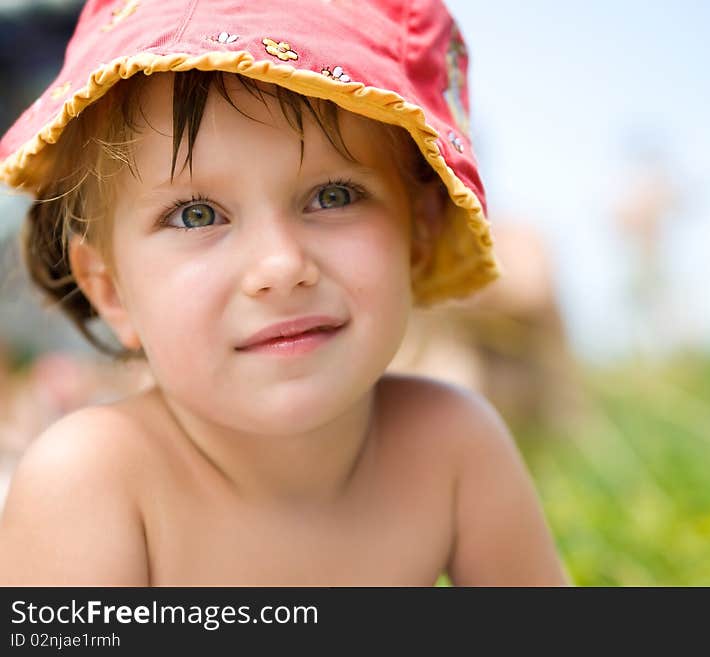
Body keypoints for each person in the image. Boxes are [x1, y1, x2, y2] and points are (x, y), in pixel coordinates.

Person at [0, 0, 569, 585]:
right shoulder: (92, 485)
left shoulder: (452, 448)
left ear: (418, 231)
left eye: (333, 196)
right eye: (196, 215)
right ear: (111, 291)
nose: (280, 265)